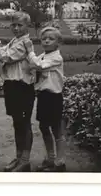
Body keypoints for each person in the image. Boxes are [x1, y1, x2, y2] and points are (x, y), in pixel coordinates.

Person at [0, 12, 35, 172]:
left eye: (20, 25)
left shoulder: (24, 43)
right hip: (13, 85)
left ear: (28, 27)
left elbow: (5, 57)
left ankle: (25, 160)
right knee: (17, 122)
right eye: (13, 24)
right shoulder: (16, 40)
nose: (16, 27)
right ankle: (19, 156)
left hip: (22, 86)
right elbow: (2, 52)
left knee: (24, 123)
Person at [24, 26, 67, 172]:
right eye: (44, 38)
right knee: (43, 127)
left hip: (54, 96)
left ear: (58, 43)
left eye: (51, 38)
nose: (47, 41)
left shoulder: (56, 57)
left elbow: (38, 66)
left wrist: (30, 51)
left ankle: (60, 162)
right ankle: (50, 157)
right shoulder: (43, 55)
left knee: (56, 128)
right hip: (43, 96)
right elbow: (34, 63)